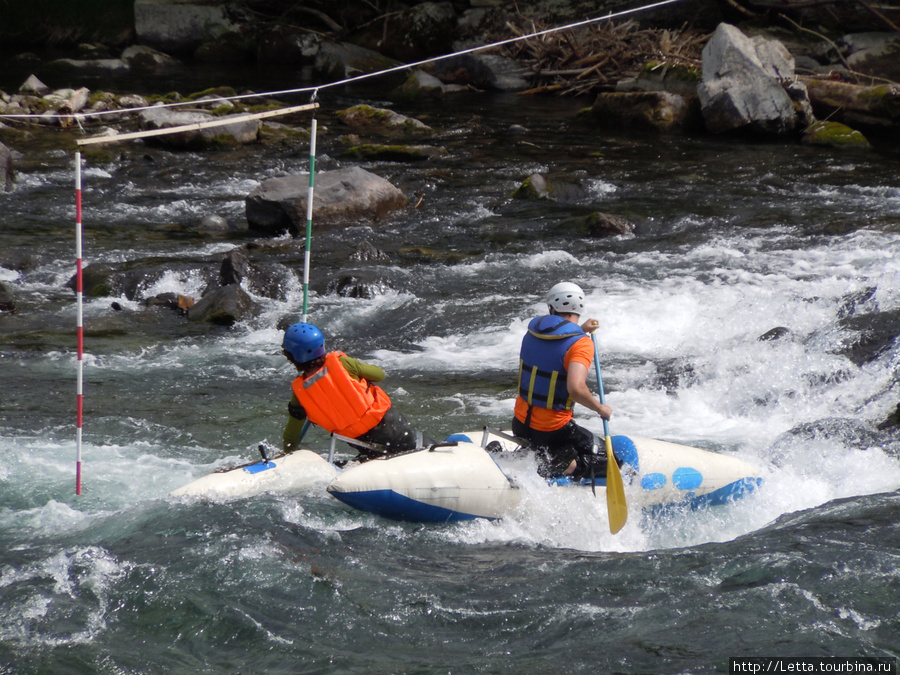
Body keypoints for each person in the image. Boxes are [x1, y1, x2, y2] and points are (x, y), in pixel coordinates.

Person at [281, 322, 434, 459]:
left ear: (290, 357)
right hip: (390, 426)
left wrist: (288, 451)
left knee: (382, 458)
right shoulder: (343, 363)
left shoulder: (300, 392)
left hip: (361, 442)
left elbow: (292, 433)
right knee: (422, 448)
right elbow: (379, 375)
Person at [511, 282, 614, 480]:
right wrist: (601, 409)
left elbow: (555, 345)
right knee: (611, 462)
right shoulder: (581, 344)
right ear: (580, 308)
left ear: (551, 307)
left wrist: (581, 330)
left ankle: (545, 456)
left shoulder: (533, 331)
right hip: (553, 430)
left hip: (521, 424)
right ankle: (568, 466)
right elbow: (575, 388)